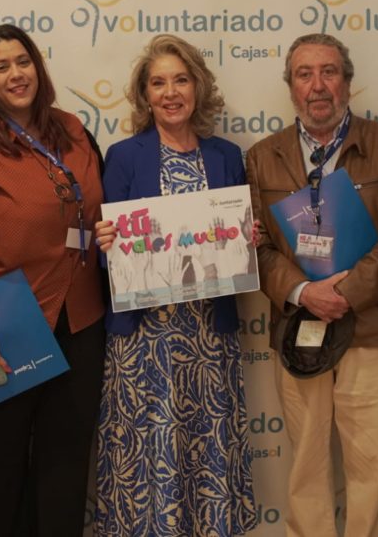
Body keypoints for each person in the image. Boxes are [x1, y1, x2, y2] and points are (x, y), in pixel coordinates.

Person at [246, 33, 378, 537]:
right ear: (290, 87)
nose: (317, 86)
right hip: (299, 329)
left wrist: (344, 293)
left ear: (348, 81)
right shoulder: (261, 157)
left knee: (369, 468)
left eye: (329, 72)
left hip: (372, 325)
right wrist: (304, 293)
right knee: (306, 467)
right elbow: (257, 247)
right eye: (304, 74)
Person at [0, 24, 106, 537]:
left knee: (64, 472)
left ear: (38, 66)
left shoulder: (74, 129)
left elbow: (100, 211)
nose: (16, 74)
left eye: (23, 61)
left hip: (79, 325)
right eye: (2, 66)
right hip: (1, 333)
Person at [92, 34, 258, 537]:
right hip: (145, 340)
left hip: (209, 335)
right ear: (144, 95)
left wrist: (249, 238)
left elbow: (235, 241)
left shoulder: (227, 155)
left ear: (198, 87)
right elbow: (109, 255)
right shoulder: (123, 156)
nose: (170, 92)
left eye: (180, 80)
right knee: (148, 453)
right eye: (158, 82)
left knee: (207, 448)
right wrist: (106, 241)